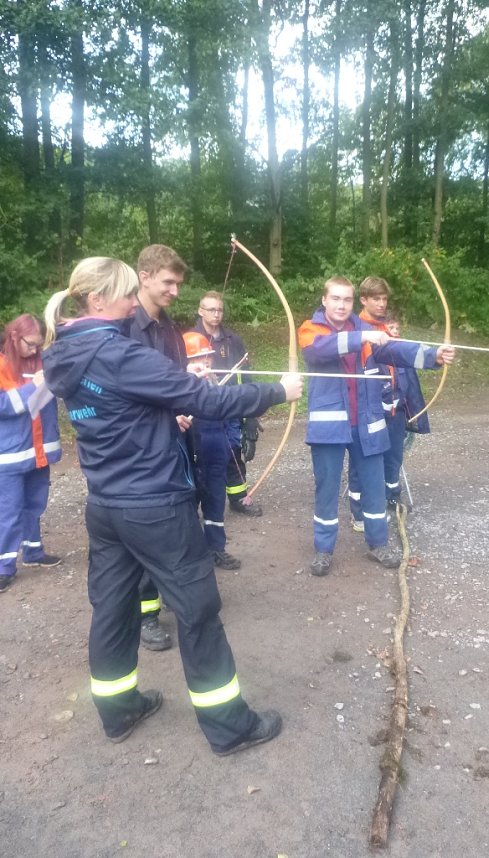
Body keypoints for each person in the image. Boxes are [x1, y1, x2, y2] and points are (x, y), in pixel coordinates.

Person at [42, 256, 303, 753]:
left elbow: (121, 411)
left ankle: (118, 711)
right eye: (122, 295)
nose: (128, 305)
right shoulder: (118, 354)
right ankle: (230, 727)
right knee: (199, 610)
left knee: (112, 609)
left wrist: (165, 415)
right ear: (98, 300)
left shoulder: (64, 353)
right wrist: (277, 392)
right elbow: (206, 399)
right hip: (154, 504)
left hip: (106, 505)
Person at [297, 276, 454, 577]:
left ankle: (377, 543)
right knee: (326, 489)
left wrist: (434, 355)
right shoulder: (311, 329)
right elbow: (318, 351)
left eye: (347, 300)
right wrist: (362, 338)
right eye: (336, 299)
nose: (342, 305)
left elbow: (397, 352)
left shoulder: (366, 330)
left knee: (373, 487)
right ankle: (323, 549)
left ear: (353, 302)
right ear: (324, 300)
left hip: (367, 422)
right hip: (329, 427)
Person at [121, 244, 191, 650]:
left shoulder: (169, 328)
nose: (175, 291)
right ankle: (146, 614)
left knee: (176, 522)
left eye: (178, 283)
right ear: (143, 277)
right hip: (136, 451)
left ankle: (176, 598)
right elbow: (124, 392)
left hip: (172, 442)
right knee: (143, 532)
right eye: (168, 282)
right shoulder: (124, 328)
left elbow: (173, 382)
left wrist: (182, 406)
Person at [348, 278, 434, 526]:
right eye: (376, 299)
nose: (382, 304)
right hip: (368, 409)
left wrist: (433, 356)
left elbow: (402, 357)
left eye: (385, 299)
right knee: (362, 460)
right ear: (363, 299)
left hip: (394, 408)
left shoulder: (386, 329)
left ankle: (391, 498)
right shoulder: (355, 329)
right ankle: (359, 511)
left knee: (393, 456)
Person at [0, 314, 62, 592]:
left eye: (39, 345)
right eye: (31, 344)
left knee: (35, 505)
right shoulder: (2, 365)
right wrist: (32, 388)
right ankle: (4, 567)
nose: (36, 349)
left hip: (39, 452)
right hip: (10, 455)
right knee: (8, 512)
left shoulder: (42, 362)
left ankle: (34, 552)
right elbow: (3, 405)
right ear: (14, 337)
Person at [192, 291, 262, 517]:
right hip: (202, 408)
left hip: (230, 405)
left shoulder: (233, 340)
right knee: (201, 457)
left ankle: (239, 497)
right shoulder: (191, 338)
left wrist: (250, 414)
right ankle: (194, 506)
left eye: (220, 309)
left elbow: (245, 374)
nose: (216, 314)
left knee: (234, 451)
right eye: (211, 309)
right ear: (200, 311)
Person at [182, 331, 240, 570]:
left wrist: (235, 440)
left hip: (217, 451)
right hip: (193, 455)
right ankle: (191, 554)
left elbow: (230, 411)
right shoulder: (180, 386)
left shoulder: (215, 381)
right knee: (188, 505)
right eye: (196, 359)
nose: (203, 362)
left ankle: (216, 548)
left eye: (207, 357)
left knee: (216, 501)